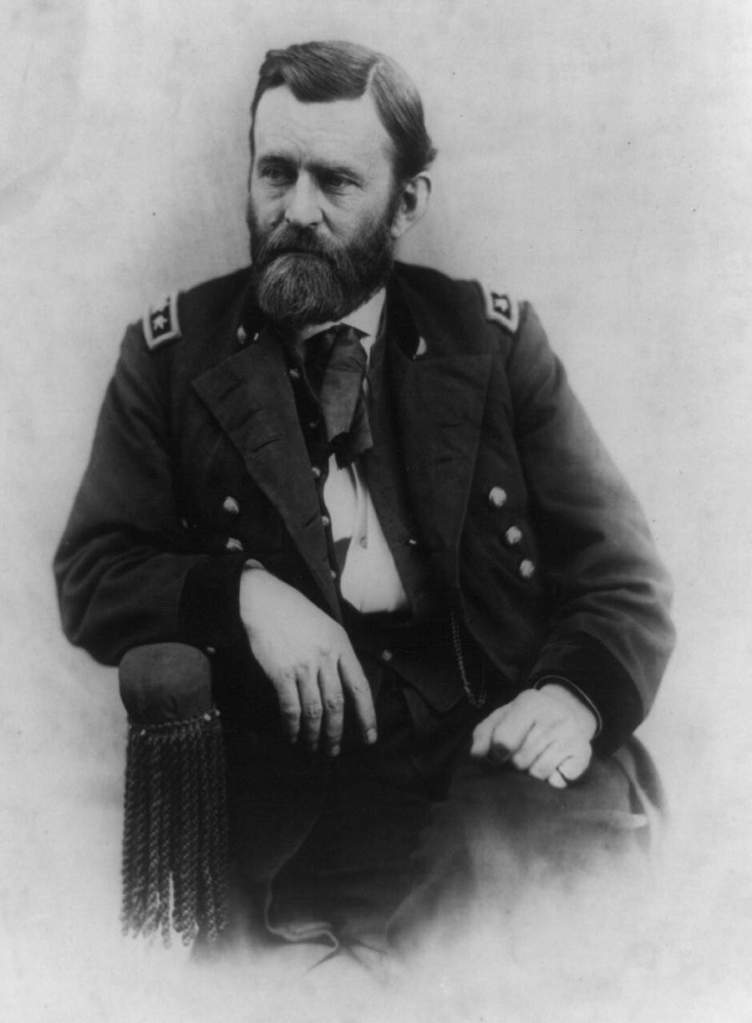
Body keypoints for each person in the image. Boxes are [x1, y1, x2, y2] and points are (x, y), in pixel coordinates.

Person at [54, 40, 674, 960]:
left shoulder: (493, 345)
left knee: (518, 940)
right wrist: (243, 596)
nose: (296, 210)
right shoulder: (172, 359)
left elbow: (623, 576)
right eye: (276, 172)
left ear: (407, 202)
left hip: (487, 763)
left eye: (335, 181)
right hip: (294, 801)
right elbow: (94, 570)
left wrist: (571, 696)